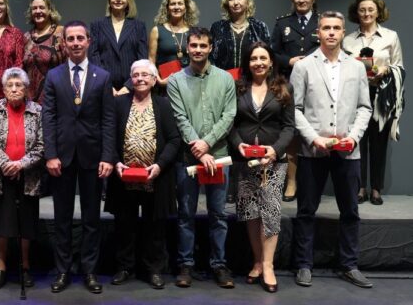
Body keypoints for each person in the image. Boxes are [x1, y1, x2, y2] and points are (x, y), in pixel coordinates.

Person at [291, 11, 372, 289]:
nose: (331, 32)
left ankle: (349, 265)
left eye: (336, 28)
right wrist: (313, 138)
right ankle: (303, 264)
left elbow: (364, 107)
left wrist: (354, 137)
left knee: (350, 211)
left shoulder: (356, 67)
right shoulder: (303, 66)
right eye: (326, 28)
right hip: (313, 151)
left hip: (348, 151)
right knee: (306, 210)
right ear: (318, 32)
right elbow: (295, 109)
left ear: (343, 32)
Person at [42, 20, 115, 294]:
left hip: (93, 157)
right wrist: (50, 154)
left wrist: (107, 156)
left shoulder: (102, 76)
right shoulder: (54, 76)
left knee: (91, 219)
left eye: (79, 38)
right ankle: (62, 270)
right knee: (61, 218)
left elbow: (108, 120)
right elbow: (48, 118)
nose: (75, 43)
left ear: (88, 42)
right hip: (61, 157)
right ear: (63, 43)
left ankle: (89, 271)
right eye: (70, 39)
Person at [167, 27, 236, 289]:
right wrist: (200, 148)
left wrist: (207, 144)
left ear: (210, 48)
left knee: (218, 214)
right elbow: (180, 118)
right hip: (188, 157)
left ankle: (219, 265)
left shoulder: (225, 79)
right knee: (186, 214)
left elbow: (229, 116)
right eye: (194, 45)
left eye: (203, 45)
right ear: (187, 48)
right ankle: (186, 265)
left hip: (218, 156)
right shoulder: (175, 80)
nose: (198, 50)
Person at [105, 60, 181, 289]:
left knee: (154, 226)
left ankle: (154, 269)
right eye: (136, 75)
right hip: (123, 177)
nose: (139, 79)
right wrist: (116, 162)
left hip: (154, 178)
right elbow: (108, 136)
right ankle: (124, 267)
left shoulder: (164, 105)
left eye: (145, 75)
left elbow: (174, 140)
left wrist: (159, 166)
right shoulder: (119, 104)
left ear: (154, 79)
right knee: (124, 224)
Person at [228, 42, 295, 293]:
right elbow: (230, 123)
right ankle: (257, 260)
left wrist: (275, 150)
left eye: (263, 58)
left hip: (273, 162)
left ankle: (268, 265)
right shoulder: (237, 88)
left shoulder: (284, 88)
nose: (258, 63)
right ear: (248, 63)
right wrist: (239, 145)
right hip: (245, 162)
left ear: (271, 62)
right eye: (254, 58)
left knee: (271, 212)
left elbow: (289, 127)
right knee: (251, 213)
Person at [0, 68, 45, 289]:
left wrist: (21, 164)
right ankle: (1, 267)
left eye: (19, 85)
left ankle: (25, 266)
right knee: (1, 223)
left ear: (26, 89)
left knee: (27, 223)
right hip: (0, 175)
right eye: (10, 85)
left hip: (28, 175)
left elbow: (42, 145)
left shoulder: (37, 111)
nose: (15, 89)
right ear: (4, 89)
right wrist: (6, 163)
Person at [210, 0, 270, 204]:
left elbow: (266, 55)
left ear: (247, 2)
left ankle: (247, 184)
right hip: (223, 87)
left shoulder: (259, 27)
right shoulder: (217, 27)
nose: (236, 2)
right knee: (226, 133)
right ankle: (228, 187)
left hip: (251, 86)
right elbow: (211, 59)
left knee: (246, 132)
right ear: (227, 3)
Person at [343, 0, 404, 206]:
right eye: (362, 10)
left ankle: (376, 189)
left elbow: (399, 67)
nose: (366, 13)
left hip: (381, 95)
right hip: (355, 96)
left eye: (371, 9)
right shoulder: (348, 40)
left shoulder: (391, 36)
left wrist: (385, 70)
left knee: (379, 143)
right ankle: (360, 188)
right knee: (358, 142)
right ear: (356, 13)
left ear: (378, 12)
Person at [271, 0, 321, 202]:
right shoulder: (283, 23)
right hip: (289, 84)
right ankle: (291, 181)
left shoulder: (322, 22)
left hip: (317, 85)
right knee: (291, 134)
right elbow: (272, 53)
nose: (302, 0)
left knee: (315, 131)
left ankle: (313, 183)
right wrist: (288, 60)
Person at [89, 0, 147, 95]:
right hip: (103, 87)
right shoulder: (97, 25)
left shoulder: (139, 26)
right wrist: (107, 85)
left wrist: (129, 86)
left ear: (128, 0)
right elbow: (94, 56)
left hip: (132, 89)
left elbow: (142, 59)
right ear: (109, 0)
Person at [148, 0, 199, 88]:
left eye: (180, 3)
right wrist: (158, 80)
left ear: (186, 7)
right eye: (172, 4)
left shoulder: (194, 31)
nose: (176, 7)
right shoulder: (157, 30)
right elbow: (151, 60)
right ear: (167, 8)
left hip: (189, 84)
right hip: (164, 84)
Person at [22, 0, 66, 104]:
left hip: (55, 99)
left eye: (42, 7)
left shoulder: (61, 33)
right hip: (30, 103)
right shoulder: (26, 37)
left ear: (50, 10)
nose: (38, 11)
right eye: (34, 8)